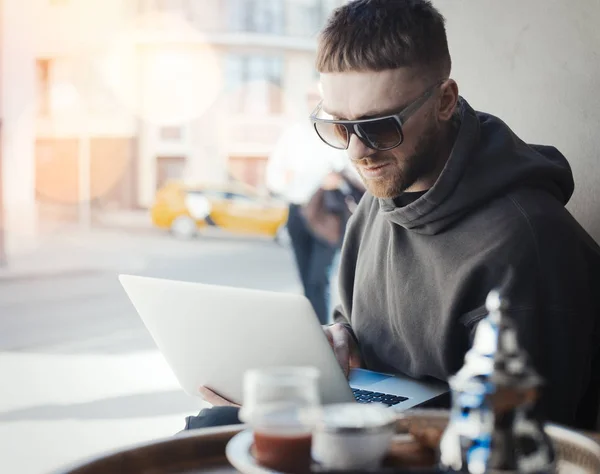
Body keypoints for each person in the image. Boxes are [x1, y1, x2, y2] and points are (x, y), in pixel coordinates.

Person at [186, 0, 600, 431]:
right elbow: (361, 335)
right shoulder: (376, 205)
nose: (356, 152)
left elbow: (523, 443)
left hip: (441, 450)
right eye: (339, 126)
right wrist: (340, 342)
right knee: (215, 421)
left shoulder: (529, 241)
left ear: (445, 101)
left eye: (380, 126)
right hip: (374, 429)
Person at [265, 99, 352, 324]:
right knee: (305, 280)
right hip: (297, 210)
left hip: (326, 215)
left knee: (317, 279)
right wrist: (285, 180)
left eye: (318, 96)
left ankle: (323, 332)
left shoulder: (337, 131)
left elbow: (351, 170)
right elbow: (274, 175)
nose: (313, 101)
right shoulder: (293, 134)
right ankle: (312, 331)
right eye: (309, 96)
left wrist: (336, 178)